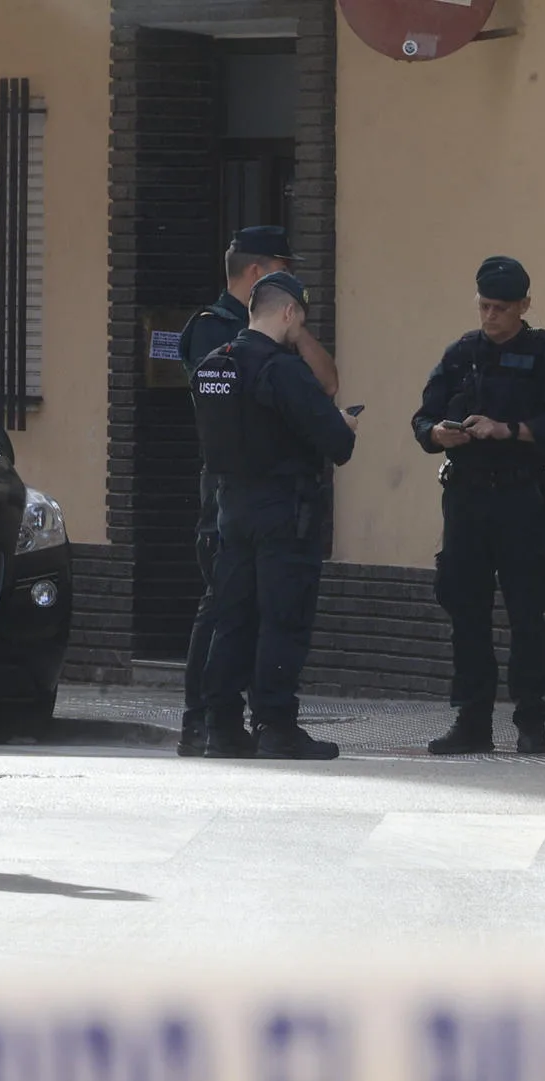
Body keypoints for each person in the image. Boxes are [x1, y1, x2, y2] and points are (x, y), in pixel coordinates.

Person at [176, 226, 339, 758]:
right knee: (280, 617)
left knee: (232, 616)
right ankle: (275, 724)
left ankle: (221, 724)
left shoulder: (215, 363)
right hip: (279, 508)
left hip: (230, 505)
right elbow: (335, 440)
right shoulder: (282, 370)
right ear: (288, 313)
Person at [412, 256, 545, 755]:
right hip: (465, 495)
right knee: (465, 607)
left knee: (527, 608)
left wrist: (507, 430)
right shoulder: (462, 353)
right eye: (484, 306)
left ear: (524, 306)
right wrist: (439, 434)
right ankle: (473, 718)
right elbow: (423, 418)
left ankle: (531, 719)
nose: (490, 317)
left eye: (501, 308)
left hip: (520, 495)